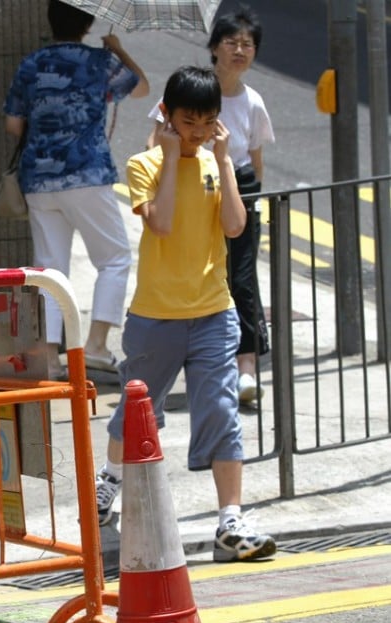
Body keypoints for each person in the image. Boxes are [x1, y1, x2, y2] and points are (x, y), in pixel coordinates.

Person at [94, 65, 275, 563]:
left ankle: (229, 521)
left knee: (221, 412)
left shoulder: (219, 162)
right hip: (156, 316)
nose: (197, 131)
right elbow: (165, 223)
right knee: (139, 411)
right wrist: (172, 156)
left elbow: (236, 227)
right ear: (168, 117)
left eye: (207, 121)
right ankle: (109, 479)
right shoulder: (143, 166)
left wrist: (222, 158)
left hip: (215, 313)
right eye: (188, 121)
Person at [3, 0, 149, 379]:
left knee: (50, 270)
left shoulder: (30, 64)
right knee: (114, 258)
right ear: (87, 23)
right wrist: (117, 49)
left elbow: (14, 126)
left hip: (38, 179)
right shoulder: (99, 62)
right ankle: (96, 344)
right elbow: (141, 88)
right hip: (86, 174)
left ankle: (49, 357)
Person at [147, 6, 273, 405]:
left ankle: (246, 368)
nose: (240, 50)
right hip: (191, 185)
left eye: (248, 44)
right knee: (197, 271)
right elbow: (155, 141)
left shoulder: (253, 101)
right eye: (232, 42)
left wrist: (244, 197)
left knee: (242, 277)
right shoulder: (192, 89)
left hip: (235, 187)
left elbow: (255, 159)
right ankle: (192, 360)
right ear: (214, 47)